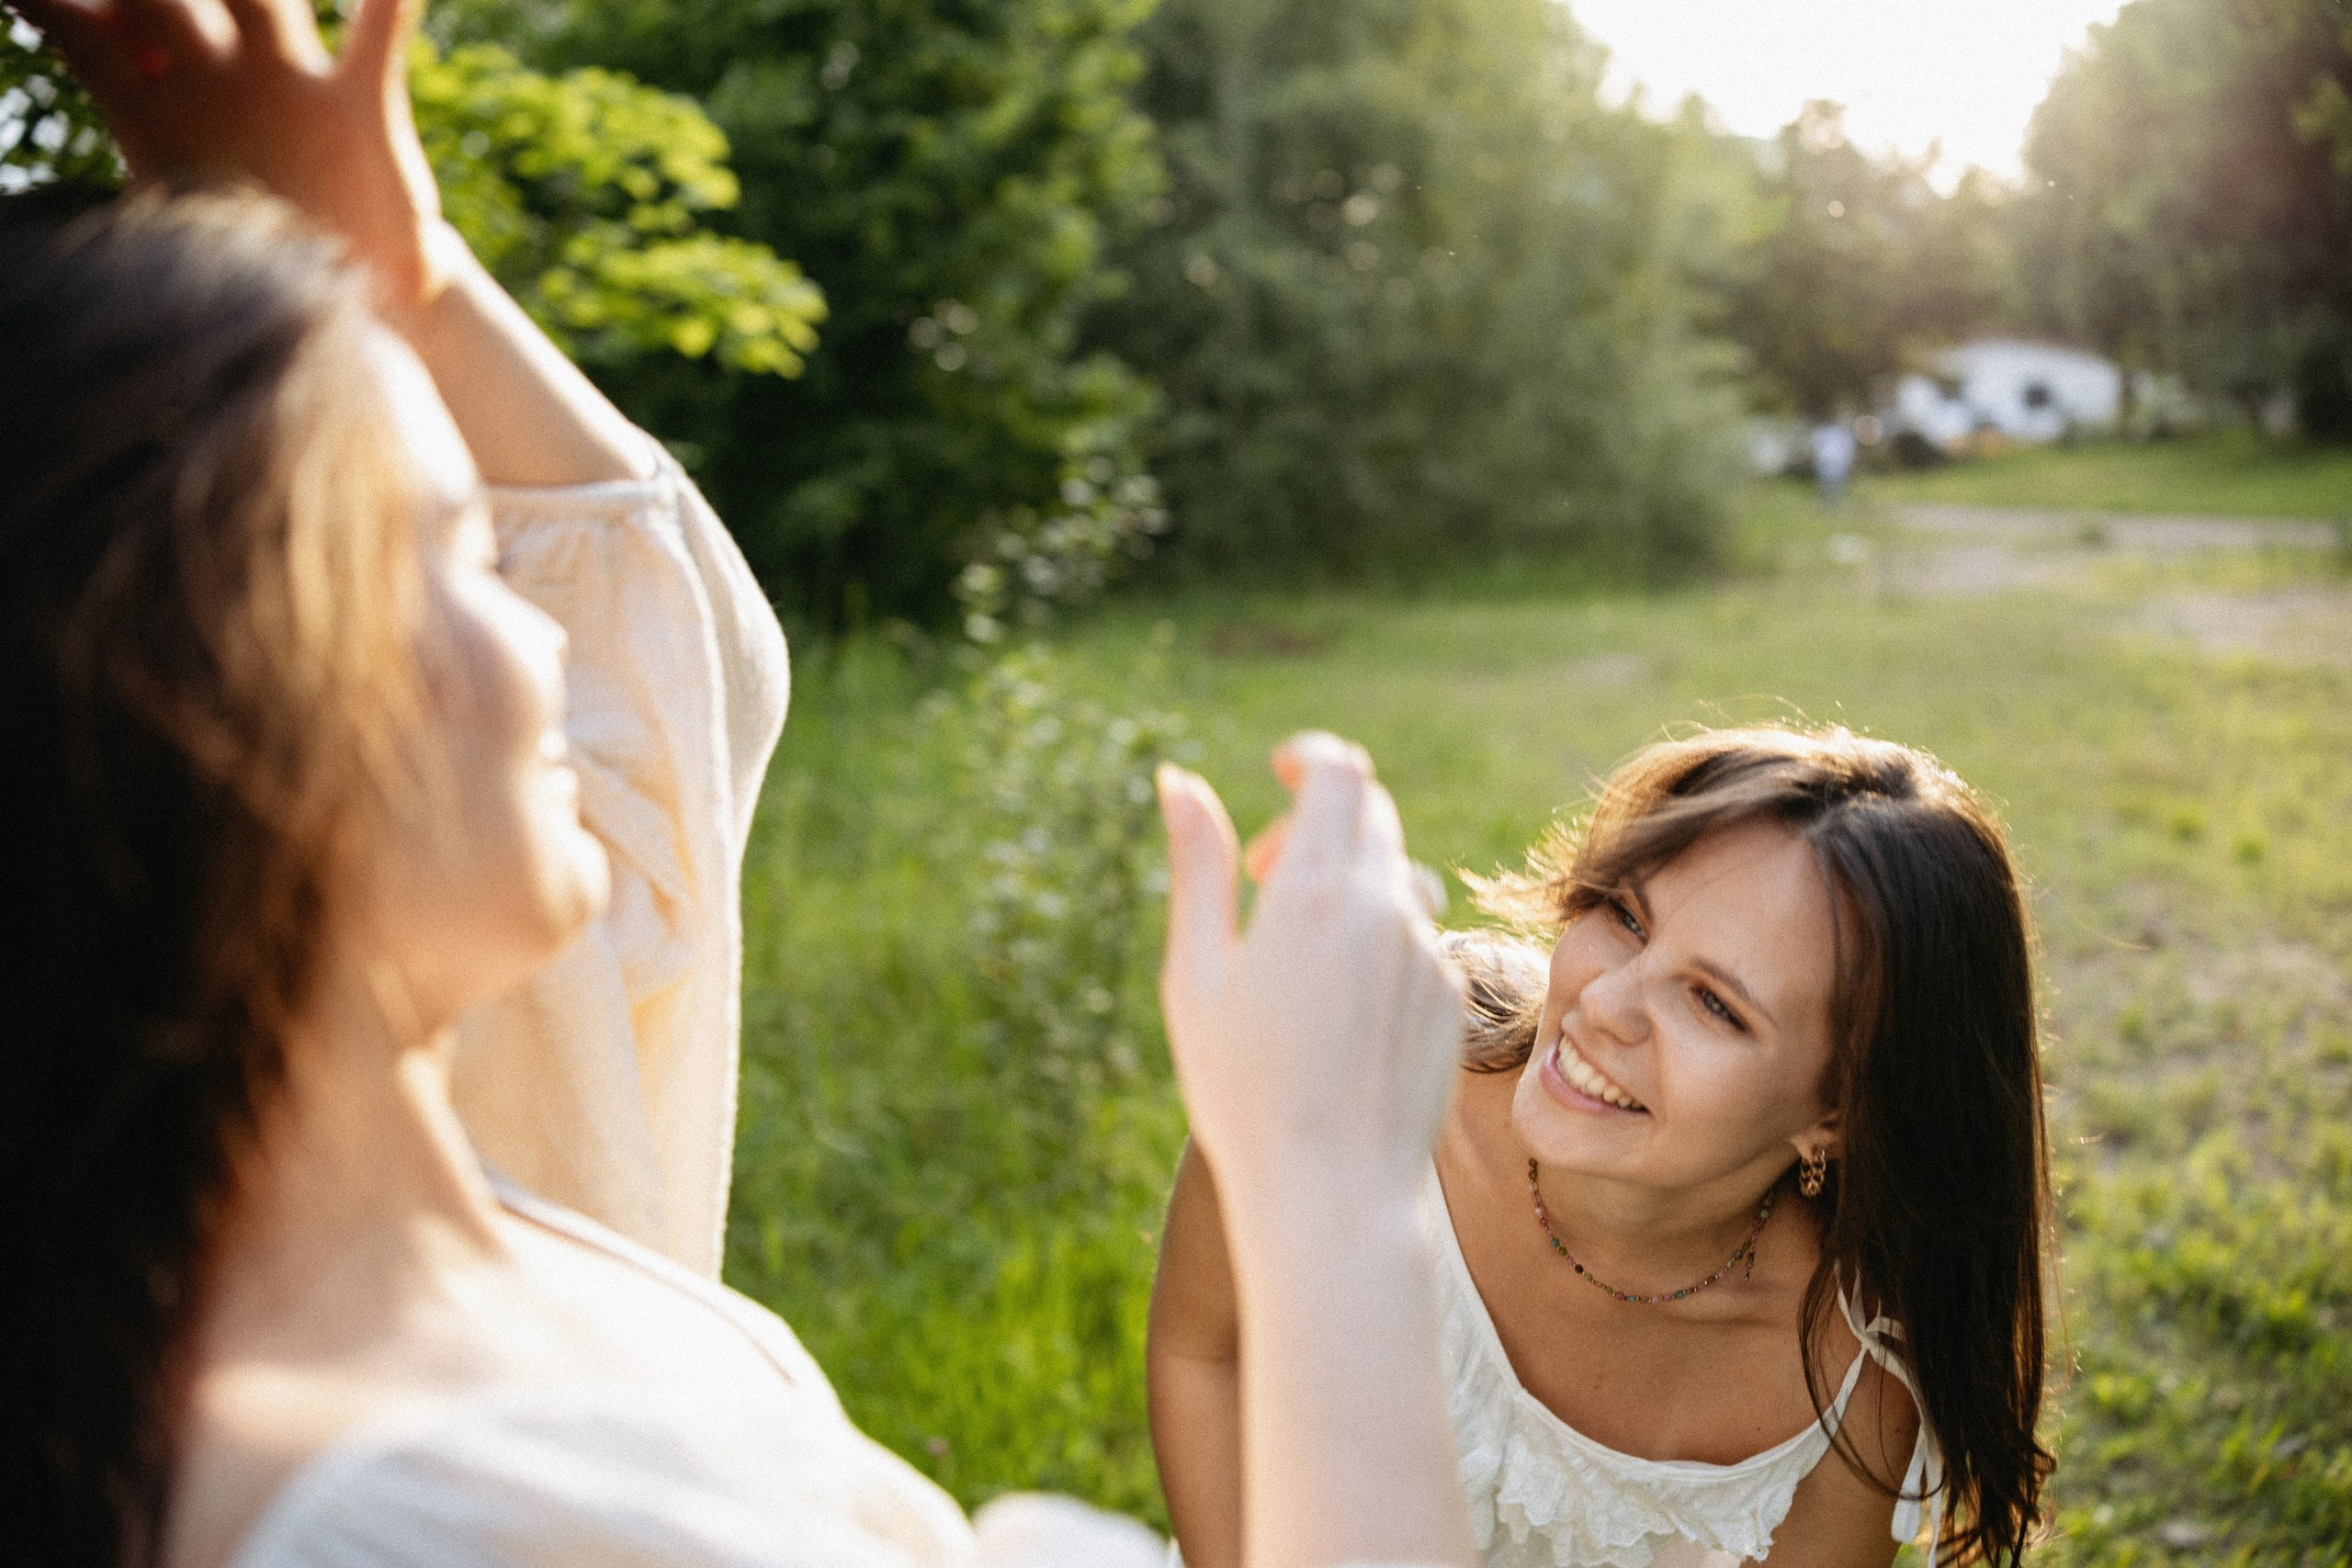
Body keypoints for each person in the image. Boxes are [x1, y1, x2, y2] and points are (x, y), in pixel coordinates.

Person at [0, 0, 1478, 1562]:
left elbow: (673, 680)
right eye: (458, 548)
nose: (548, 644)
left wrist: (400, 280)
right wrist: (1335, 1195)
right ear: (269, 711)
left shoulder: (370, 1231)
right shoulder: (433, 1523)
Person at [1150, 727, 2055, 1568]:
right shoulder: (1366, 1067)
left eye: (1713, 1004)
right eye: (1626, 916)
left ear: (1837, 1114)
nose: (1602, 1003)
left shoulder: (1851, 1385)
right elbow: (1206, 1354)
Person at [1810, 423, 1857, 509]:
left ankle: (1833, 504)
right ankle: (1828, 503)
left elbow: (1849, 448)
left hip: (1836, 462)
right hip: (1828, 461)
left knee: (1835, 484)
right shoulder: (1824, 432)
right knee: (1827, 484)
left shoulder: (1842, 434)